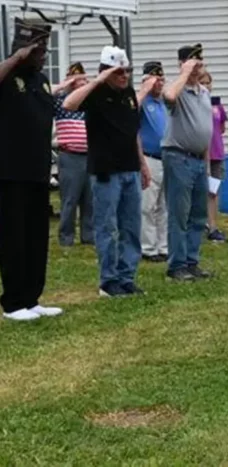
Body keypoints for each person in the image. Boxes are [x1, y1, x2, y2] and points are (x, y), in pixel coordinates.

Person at [63, 46, 152, 297]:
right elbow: (69, 104)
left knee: (131, 226)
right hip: (105, 171)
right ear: (105, 72)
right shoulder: (95, 93)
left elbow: (133, 131)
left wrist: (143, 164)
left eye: (127, 72)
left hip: (130, 169)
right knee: (107, 228)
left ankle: (126, 277)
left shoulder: (129, 94)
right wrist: (98, 80)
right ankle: (108, 281)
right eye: (119, 72)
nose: (124, 76)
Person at [0, 20, 63, 321]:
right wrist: (16, 59)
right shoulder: (8, 74)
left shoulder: (40, 80)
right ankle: (13, 303)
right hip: (10, 173)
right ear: (23, 50)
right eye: (39, 50)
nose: (44, 55)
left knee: (36, 238)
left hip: (38, 171)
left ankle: (32, 297)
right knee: (14, 238)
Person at [162, 44, 214, 282]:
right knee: (179, 214)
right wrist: (184, 73)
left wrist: (207, 164)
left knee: (198, 215)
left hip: (198, 159)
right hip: (178, 156)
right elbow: (169, 96)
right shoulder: (177, 89)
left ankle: (191, 261)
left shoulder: (203, 92)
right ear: (182, 64)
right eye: (192, 64)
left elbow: (206, 130)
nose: (196, 69)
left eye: (199, 64)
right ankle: (177, 265)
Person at [52, 62, 94, 248]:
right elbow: (49, 93)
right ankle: (66, 237)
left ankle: (88, 235)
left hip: (90, 155)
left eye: (83, 79)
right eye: (77, 80)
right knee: (70, 198)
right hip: (70, 156)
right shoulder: (61, 101)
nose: (81, 83)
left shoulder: (90, 103)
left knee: (90, 198)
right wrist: (66, 84)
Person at [136, 61, 169, 262]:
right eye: (156, 79)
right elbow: (131, 110)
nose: (160, 83)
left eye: (161, 79)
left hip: (167, 157)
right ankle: (148, 247)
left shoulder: (164, 102)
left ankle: (163, 246)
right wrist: (144, 89)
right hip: (149, 158)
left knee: (164, 206)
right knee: (148, 206)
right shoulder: (142, 102)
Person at [202, 72, 228, 242]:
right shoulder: (194, 103)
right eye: (202, 82)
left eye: (208, 82)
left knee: (213, 191)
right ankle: (199, 223)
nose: (205, 86)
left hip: (216, 154)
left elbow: (222, 128)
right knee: (199, 191)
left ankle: (212, 226)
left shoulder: (217, 106)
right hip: (198, 153)